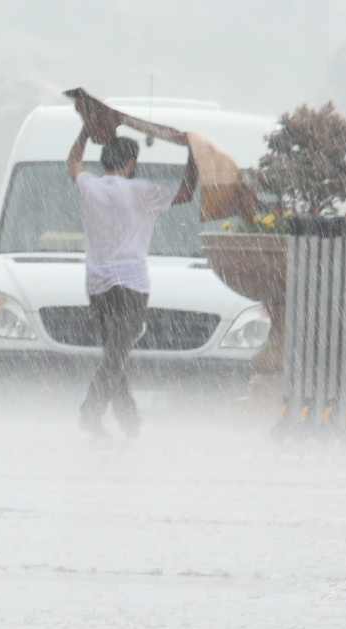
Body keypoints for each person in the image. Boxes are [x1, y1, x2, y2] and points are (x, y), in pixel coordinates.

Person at [67, 127, 198, 438]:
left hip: (98, 284)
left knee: (114, 351)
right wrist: (192, 156)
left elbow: (72, 161)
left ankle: (127, 417)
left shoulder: (90, 187)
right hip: (132, 284)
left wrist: (86, 131)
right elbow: (186, 193)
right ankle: (92, 412)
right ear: (129, 162)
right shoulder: (140, 191)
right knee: (117, 353)